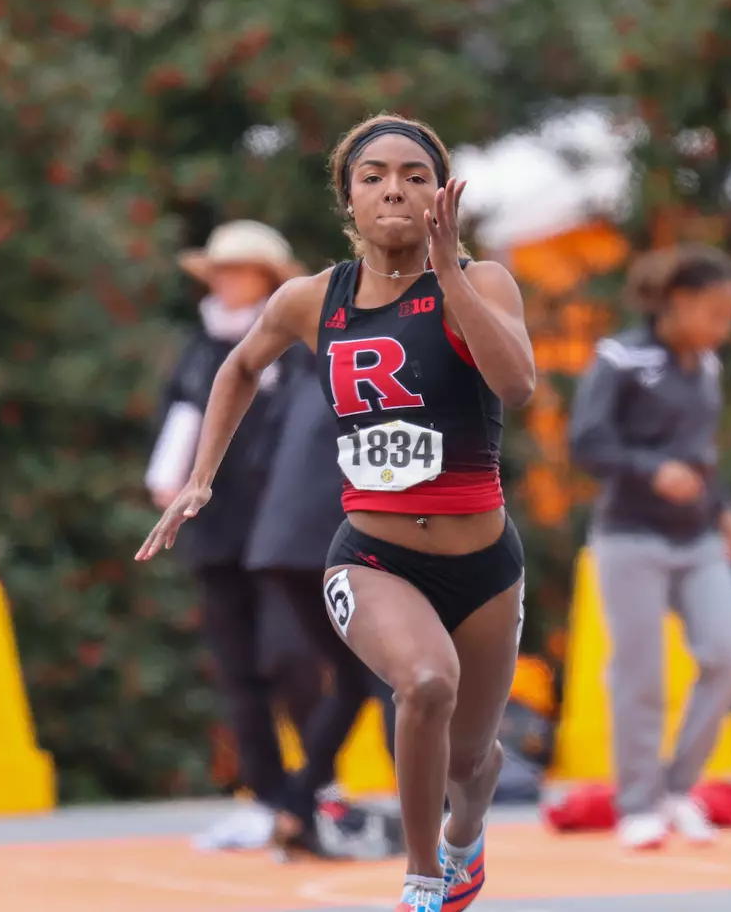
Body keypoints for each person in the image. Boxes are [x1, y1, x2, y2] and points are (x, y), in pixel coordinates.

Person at [138, 113, 535, 912]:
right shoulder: (309, 300)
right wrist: (199, 476)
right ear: (347, 200)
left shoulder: (483, 281)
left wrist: (450, 271)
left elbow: (517, 385)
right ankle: (424, 880)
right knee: (423, 684)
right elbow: (237, 370)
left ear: (440, 196)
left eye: (416, 175)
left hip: (484, 562)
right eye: (374, 175)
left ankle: (464, 838)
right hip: (373, 556)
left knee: (473, 760)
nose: (395, 187)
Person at [145, 220, 322, 853]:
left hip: (282, 531)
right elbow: (176, 418)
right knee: (238, 672)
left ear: (271, 279)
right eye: (219, 270)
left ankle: (319, 785)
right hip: (214, 530)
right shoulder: (198, 345)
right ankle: (268, 796)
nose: (226, 280)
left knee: (289, 656)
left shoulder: (299, 343)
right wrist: (166, 481)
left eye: (240, 269)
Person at [568, 244, 731, 851]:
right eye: (716, 314)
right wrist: (651, 470)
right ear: (678, 304)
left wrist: (724, 507)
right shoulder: (619, 358)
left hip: (697, 537)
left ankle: (678, 788)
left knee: (725, 656)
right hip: (630, 537)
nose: (724, 329)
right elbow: (588, 443)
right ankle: (638, 803)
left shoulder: (708, 368)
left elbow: (702, 452)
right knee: (639, 674)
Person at [240, 341, 382, 857]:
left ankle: (297, 808)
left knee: (356, 677)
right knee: (389, 672)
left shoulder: (306, 372)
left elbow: (258, 459)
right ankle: (429, 816)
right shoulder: (393, 368)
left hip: (278, 543)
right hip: (334, 536)